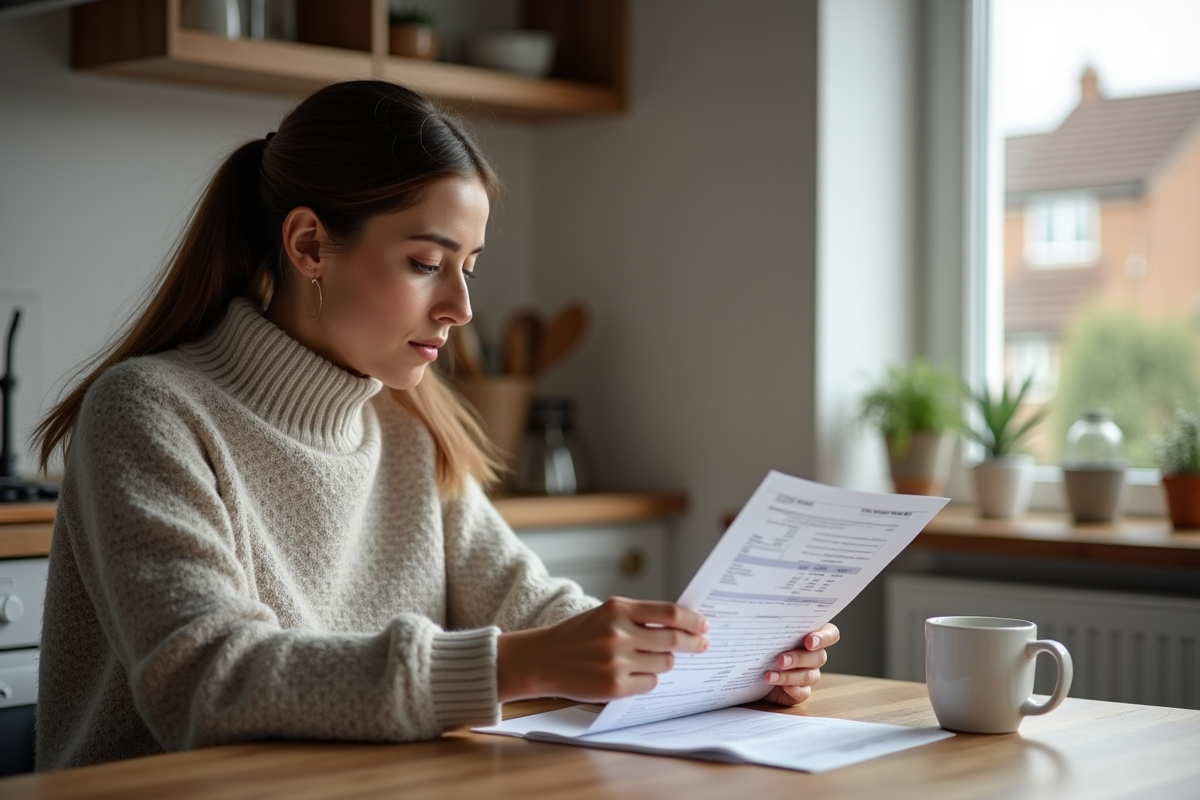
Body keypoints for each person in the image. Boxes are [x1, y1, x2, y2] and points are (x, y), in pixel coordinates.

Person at [32, 79, 838, 770]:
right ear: (310, 245)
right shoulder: (148, 412)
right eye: (426, 262)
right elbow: (208, 684)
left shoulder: (409, 425)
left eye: (469, 268)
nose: (461, 308)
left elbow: (534, 612)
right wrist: (515, 665)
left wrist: (713, 662)